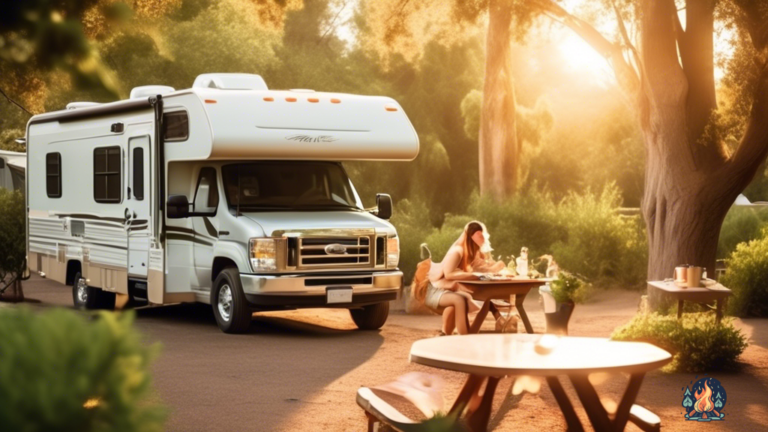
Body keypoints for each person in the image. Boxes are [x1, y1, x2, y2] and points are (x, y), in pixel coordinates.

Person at [425, 221, 506, 335]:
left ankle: (464, 334)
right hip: (436, 289)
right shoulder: (458, 251)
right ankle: (464, 335)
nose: (480, 246)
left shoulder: (471, 253)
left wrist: (496, 268)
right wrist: (473, 276)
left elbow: (483, 267)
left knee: (485, 300)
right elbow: (448, 274)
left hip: (450, 289)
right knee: (460, 300)